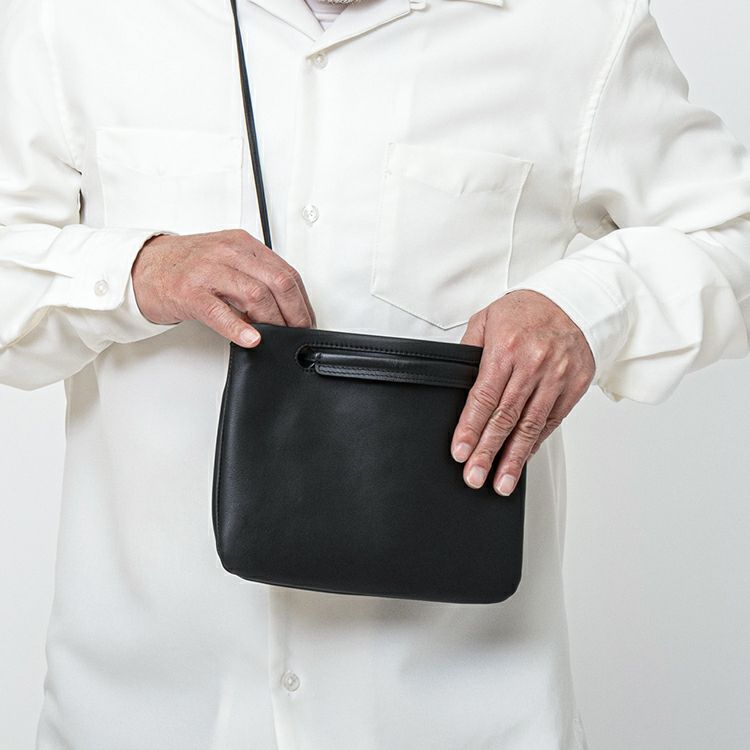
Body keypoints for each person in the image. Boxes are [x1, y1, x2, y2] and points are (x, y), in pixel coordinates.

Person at [1, 0, 749, 748]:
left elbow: (735, 232)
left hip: (461, 718)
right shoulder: (77, 20)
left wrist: (590, 308)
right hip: (137, 713)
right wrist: (134, 270)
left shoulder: (579, 26)